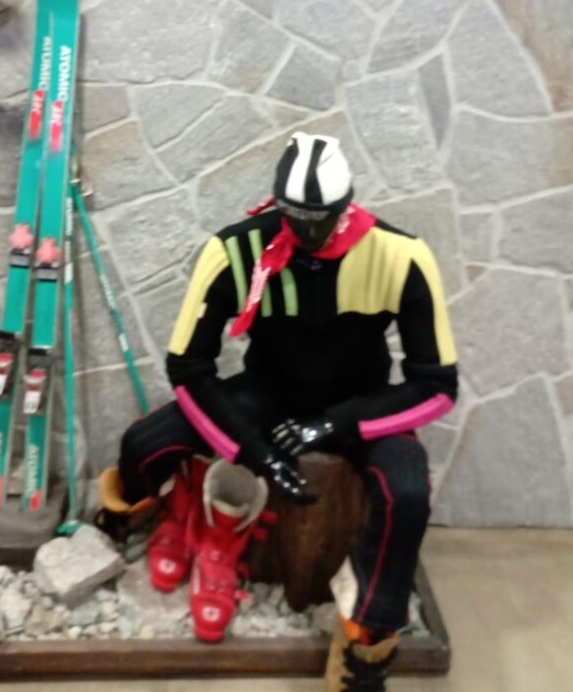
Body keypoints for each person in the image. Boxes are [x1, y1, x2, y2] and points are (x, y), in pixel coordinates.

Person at [98, 132, 458, 690]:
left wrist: (337, 422)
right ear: (277, 203)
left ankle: (366, 645)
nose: (310, 233)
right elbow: (188, 366)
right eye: (296, 218)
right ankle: (152, 512)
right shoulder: (236, 250)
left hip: (358, 403)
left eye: (323, 220)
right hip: (269, 392)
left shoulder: (401, 255)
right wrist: (253, 449)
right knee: (145, 444)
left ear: (347, 204)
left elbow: (435, 386)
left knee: (408, 492)